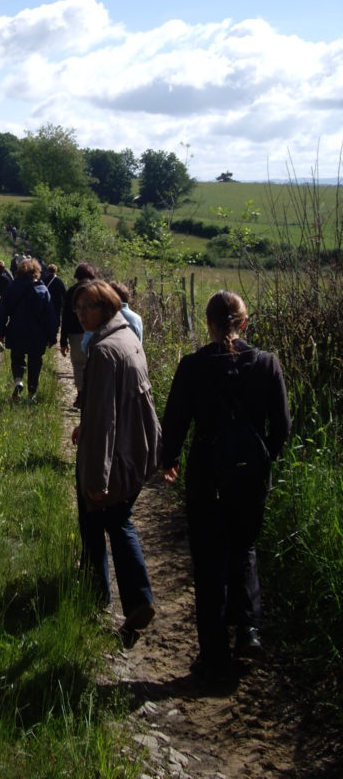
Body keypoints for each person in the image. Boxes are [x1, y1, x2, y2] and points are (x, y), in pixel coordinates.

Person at [161, 290, 290, 682]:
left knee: (208, 559)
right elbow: (282, 427)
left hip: (207, 475)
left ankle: (213, 653)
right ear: (244, 323)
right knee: (244, 547)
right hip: (251, 476)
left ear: (210, 324)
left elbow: (176, 422)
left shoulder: (193, 366)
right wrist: (264, 458)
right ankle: (248, 630)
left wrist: (170, 459)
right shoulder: (268, 364)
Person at [71, 280, 160, 646]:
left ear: (104, 308)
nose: (79, 315)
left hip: (115, 454)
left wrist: (98, 475)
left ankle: (129, 600)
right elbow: (113, 404)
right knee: (106, 521)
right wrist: (84, 422)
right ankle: (102, 598)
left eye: (85, 308)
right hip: (132, 449)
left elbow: (107, 418)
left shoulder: (105, 350)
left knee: (108, 520)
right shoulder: (127, 336)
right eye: (77, 309)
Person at [0, 257, 58, 402]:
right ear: (37, 272)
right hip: (37, 334)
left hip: (16, 330)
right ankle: (31, 393)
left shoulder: (11, 288)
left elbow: (2, 311)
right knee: (35, 362)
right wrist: (52, 336)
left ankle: (18, 380)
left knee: (17, 358)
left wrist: (1, 331)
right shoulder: (42, 290)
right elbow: (50, 316)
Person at [60, 262, 98, 408]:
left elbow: (66, 317)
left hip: (75, 334)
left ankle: (81, 394)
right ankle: (92, 395)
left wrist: (63, 341)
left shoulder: (71, 292)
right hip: (95, 333)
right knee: (94, 365)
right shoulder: (97, 291)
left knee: (78, 364)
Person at [43, 263, 67, 327]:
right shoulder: (59, 280)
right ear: (56, 271)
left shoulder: (44, 280)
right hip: (57, 303)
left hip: (47, 303)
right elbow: (64, 293)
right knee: (56, 319)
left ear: (48, 271)